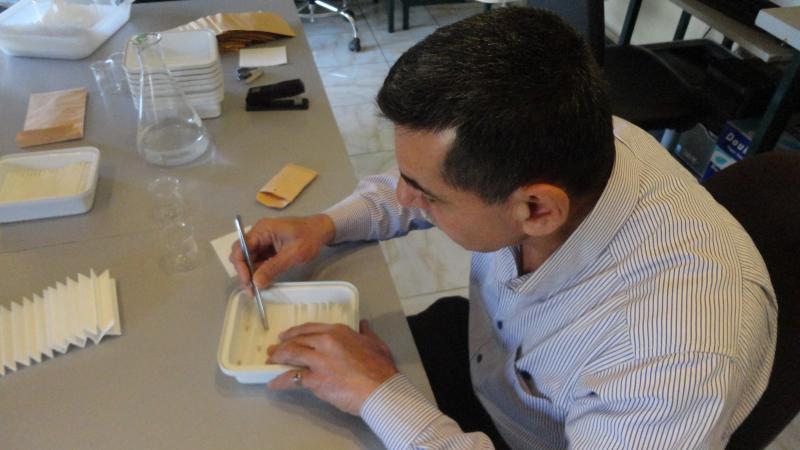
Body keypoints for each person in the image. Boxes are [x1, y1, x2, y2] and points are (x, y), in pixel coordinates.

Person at [230, 7, 776, 450]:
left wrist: (380, 395)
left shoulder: (673, 357)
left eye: (427, 195)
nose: (402, 199)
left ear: (537, 211)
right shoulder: (567, 137)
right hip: (491, 354)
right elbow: (435, 183)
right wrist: (325, 225)